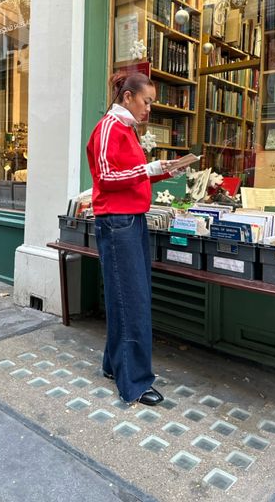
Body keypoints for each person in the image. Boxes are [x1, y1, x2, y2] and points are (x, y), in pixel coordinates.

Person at [86, 72, 182, 406]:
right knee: (132, 300)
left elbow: (129, 179)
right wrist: (151, 169)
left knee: (124, 298)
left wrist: (167, 170)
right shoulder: (108, 129)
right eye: (147, 101)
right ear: (127, 97)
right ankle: (136, 383)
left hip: (128, 220)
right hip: (118, 222)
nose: (149, 109)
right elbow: (106, 177)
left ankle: (115, 365)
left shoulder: (124, 130)